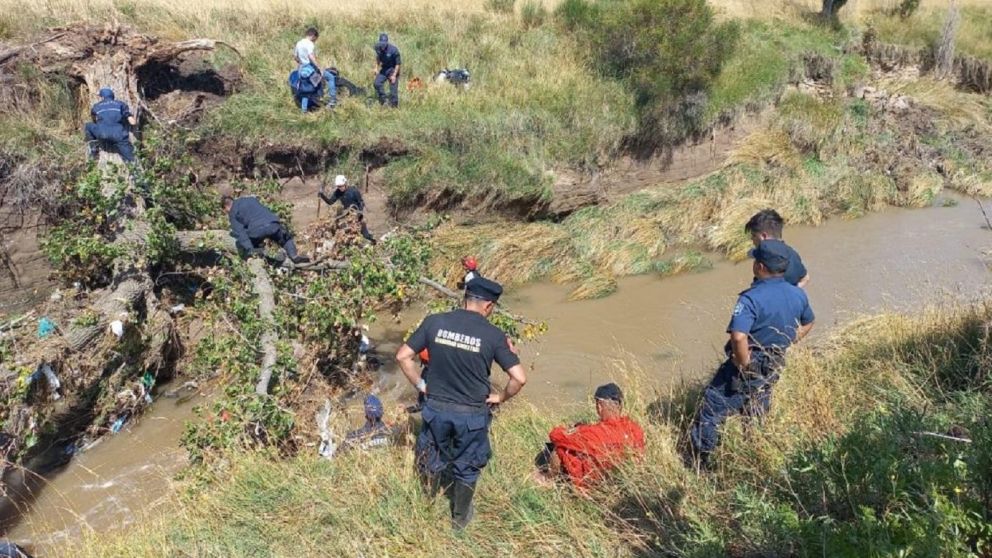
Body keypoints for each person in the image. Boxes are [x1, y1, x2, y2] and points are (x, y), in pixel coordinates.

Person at [395, 277, 528, 529]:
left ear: (466, 298)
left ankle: (426, 503)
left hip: (435, 409)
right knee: (467, 467)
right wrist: (501, 397)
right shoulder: (494, 335)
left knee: (430, 457)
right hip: (471, 415)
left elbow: (403, 356)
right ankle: (460, 519)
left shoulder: (435, 322)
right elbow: (519, 378)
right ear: (489, 306)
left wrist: (422, 386)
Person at [689, 240, 815, 466]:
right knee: (757, 408)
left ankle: (701, 463)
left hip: (749, 362)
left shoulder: (750, 298)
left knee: (711, 410)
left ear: (760, 267)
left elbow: (738, 336)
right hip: (776, 361)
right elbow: (809, 322)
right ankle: (755, 455)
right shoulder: (798, 295)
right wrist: (789, 340)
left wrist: (743, 362)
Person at [534, 383, 645, 488]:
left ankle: (548, 479)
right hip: (622, 478)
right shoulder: (635, 428)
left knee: (559, 449)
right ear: (619, 405)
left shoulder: (593, 433)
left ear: (599, 406)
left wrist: (572, 430)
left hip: (595, 481)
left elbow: (556, 436)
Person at [222, 195, 309, 264]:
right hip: (273, 223)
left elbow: (240, 233)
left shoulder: (233, 212)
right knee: (286, 239)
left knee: (250, 244)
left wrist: (250, 250)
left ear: (226, 207)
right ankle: (294, 256)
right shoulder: (251, 199)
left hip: (257, 231)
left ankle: (263, 254)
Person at [745, 209, 809, 288]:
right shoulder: (793, 254)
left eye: (754, 235)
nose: (752, 239)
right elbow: (806, 278)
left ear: (764, 236)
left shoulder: (770, 262)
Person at [84, 88, 136, 163]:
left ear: (102, 97)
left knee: (88, 126)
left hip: (102, 134)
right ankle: (136, 172)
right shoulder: (121, 104)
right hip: (119, 135)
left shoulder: (96, 106)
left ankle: (94, 148)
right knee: (132, 160)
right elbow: (133, 122)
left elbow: (94, 119)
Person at [318, 175, 375, 243]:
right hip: (347, 215)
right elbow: (330, 202)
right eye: (338, 186)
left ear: (345, 183)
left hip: (357, 214)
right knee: (346, 234)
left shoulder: (353, 191)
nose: (340, 188)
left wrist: (359, 213)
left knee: (365, 235)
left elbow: (361, 203)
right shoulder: (337, 192)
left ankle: (372, 241)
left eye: (341, 186)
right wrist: (322, 195)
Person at [293, 27, 336, 109]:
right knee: (330, 78)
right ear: (313, 35)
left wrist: (301, 62)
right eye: (315, 39)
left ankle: (304, 110)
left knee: (306, 88)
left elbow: (295, 57)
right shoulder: (309, 44)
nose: (315, 41)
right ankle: (332, 102)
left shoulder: (298, 43)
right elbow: (311, 56)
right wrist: (319, 68)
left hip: (302, 70)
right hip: (311, 70)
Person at [373, 33, 401, 107]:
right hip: (384, 69)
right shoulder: (378, 48)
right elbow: (378, 58)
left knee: (393, 92)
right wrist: (376, 68)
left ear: (387, 43)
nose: (382, 45)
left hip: (393, 69)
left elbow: (398, 64)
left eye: (384, 43)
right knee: (377, 83)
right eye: (381, 43)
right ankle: (383, 99)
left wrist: (394, 76)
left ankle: (394, 106)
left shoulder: (394, 50)